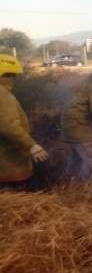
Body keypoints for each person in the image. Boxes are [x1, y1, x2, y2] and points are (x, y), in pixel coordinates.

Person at [0, 54, 49, 188]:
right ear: (5, 75)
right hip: (9, 162)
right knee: (21, 194)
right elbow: (9, 125)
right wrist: (31, 146)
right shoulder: (3, 94)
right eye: (12, 75)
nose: (14, 79)